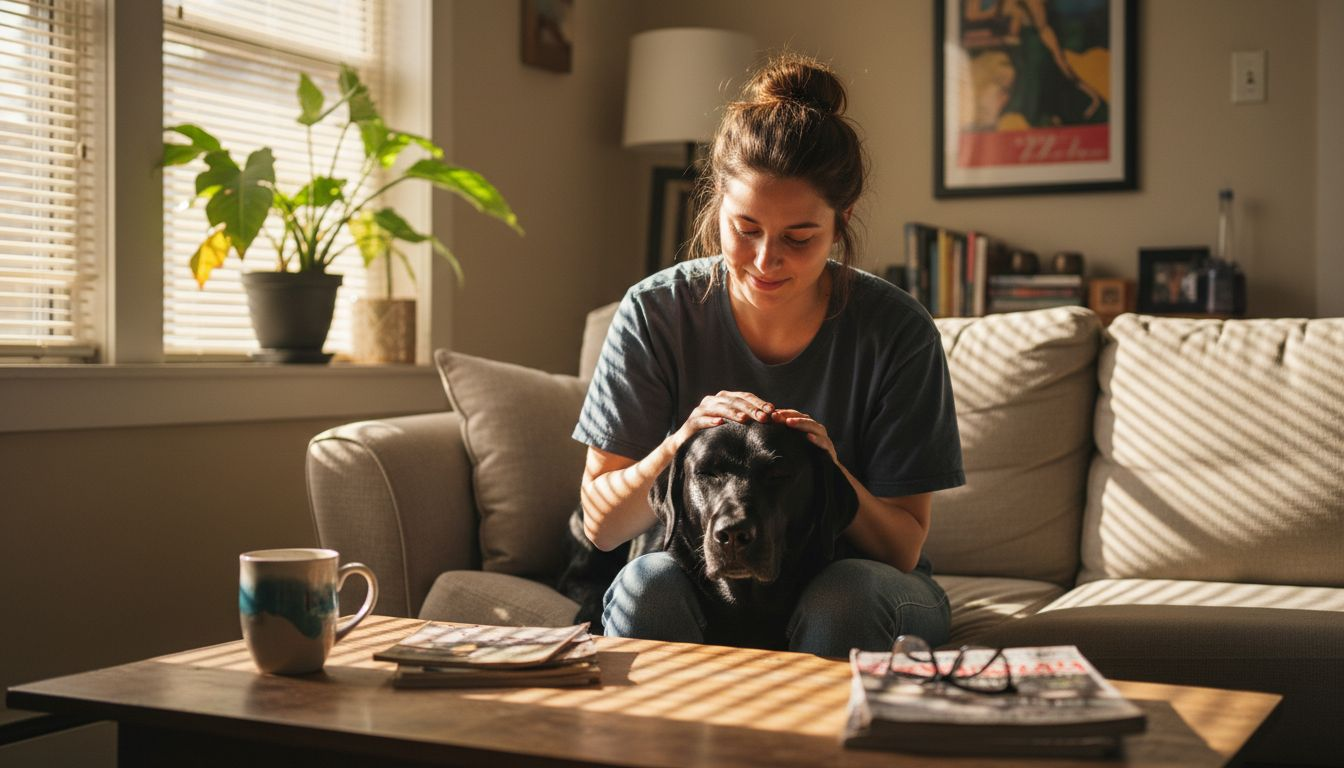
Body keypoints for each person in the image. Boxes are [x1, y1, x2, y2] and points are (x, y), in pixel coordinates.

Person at [571, 53, 965, 658]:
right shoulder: (656, 312)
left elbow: (901, 548)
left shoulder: (897, 332)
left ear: (842, 221)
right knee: (646, 585)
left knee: (845, 596)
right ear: (716, 208)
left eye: (798, 238)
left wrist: (831, 467)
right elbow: (601, 526)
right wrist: (680, 443)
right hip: (699, 580)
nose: (764, 259)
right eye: (745, 228)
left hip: (860, 581)